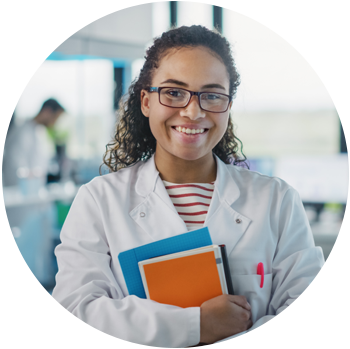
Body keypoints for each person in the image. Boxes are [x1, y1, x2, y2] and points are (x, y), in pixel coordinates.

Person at [51, 26, 336, 348]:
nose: (193, 111)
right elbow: (74, 324)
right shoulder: (99, 200)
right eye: (174, 92)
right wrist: (196, 325)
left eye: (212, 95)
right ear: (146, 101)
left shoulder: (275, 200)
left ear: (228, 106)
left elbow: (313, 322)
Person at [2, 98, 65, 187]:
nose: (55, 123)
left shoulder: (39, 132)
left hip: (34, 190)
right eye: (55, 118)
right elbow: (15, 166)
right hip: (21, 191)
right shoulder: (22, 132)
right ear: (47, 111)